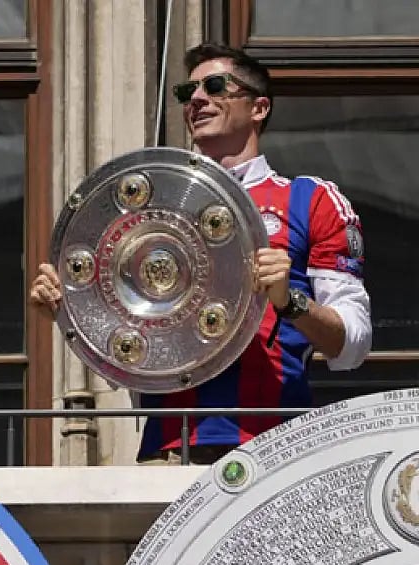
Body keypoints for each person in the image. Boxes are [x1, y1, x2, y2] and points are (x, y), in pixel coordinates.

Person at [29, 42, 371, 464]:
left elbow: (353, 345)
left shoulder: (310, 199)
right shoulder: (153, 206)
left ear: (258, 107)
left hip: (276, 452)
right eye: (186, 93)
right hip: (167, 454)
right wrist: (72, 313)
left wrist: (290, 302)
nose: (195, 100)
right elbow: (126, 352)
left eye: (214, 86)